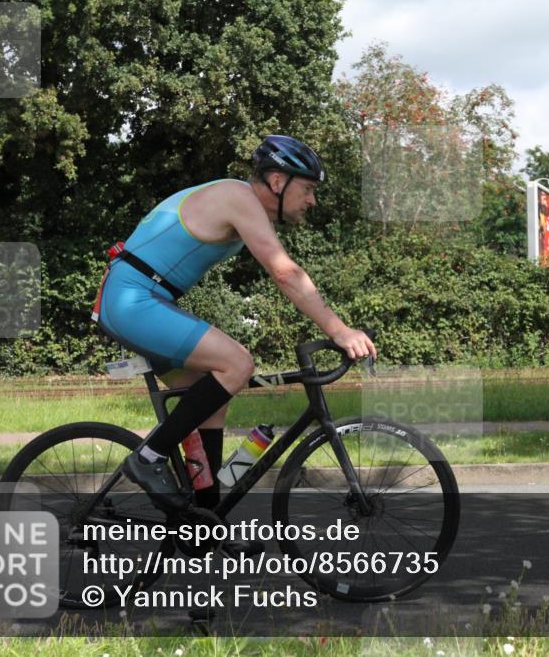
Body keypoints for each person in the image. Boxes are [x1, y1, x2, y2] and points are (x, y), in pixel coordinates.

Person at [94, 135, 377, 510]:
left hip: (140, 300)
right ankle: (147, 459)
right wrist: (340, 331)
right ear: (277, 181)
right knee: (237, 364)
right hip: (131, 300)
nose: (312, 200)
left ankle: (203, 515)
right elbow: (285, 273)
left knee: (210, 400)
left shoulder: (243, 206)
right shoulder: (237, 197)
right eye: (308, 189)